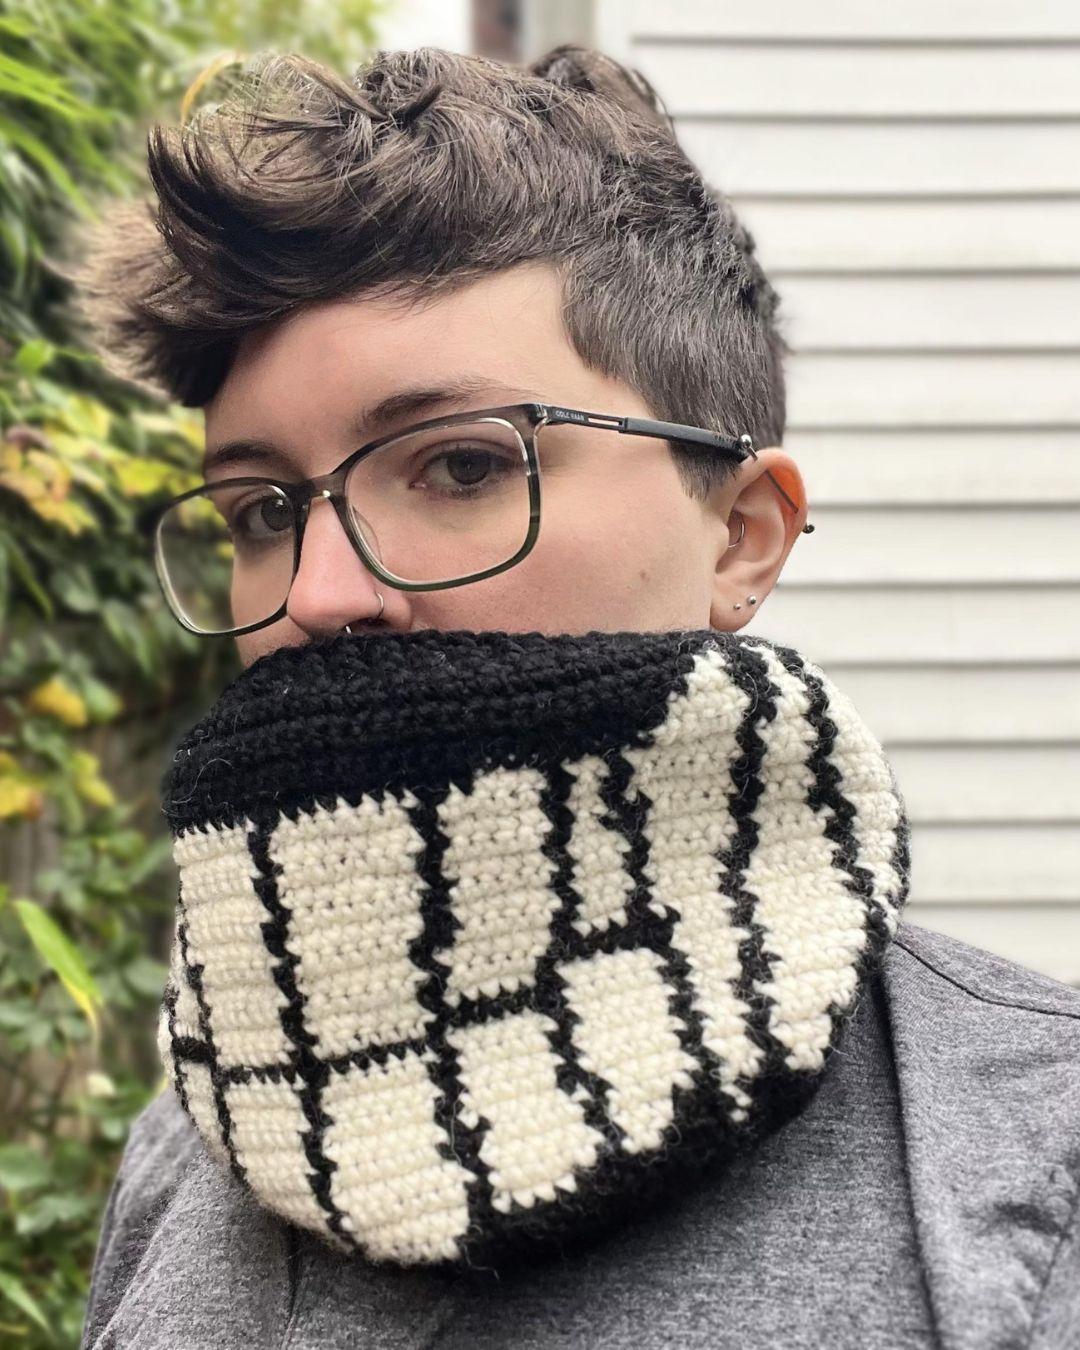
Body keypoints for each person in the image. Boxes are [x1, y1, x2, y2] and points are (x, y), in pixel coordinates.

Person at [74, 43, 1079, 1350]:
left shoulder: (1030, 1148)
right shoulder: (195, 1135)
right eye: (263, 509)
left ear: (742, 535)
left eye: (460, 465)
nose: (318, 591)